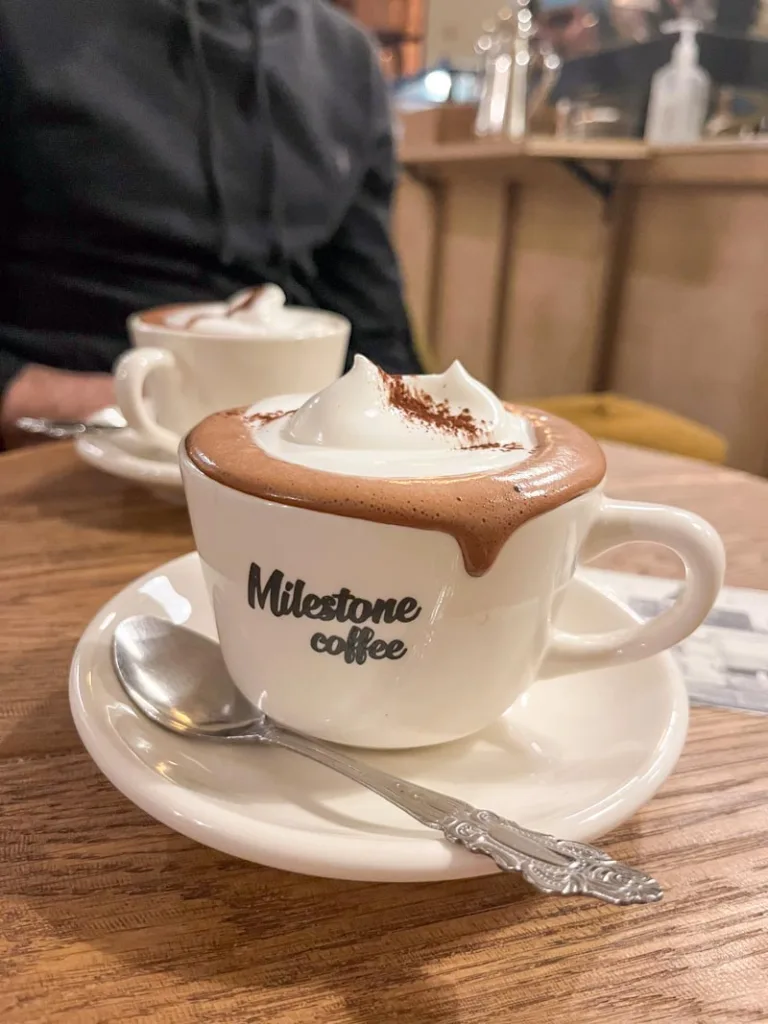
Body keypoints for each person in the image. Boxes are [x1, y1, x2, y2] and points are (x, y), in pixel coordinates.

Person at [0, 0, 421, 446]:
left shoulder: (345, 54)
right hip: (68, 441)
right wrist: (138, 409)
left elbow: (378, 332)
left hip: (303, 444)